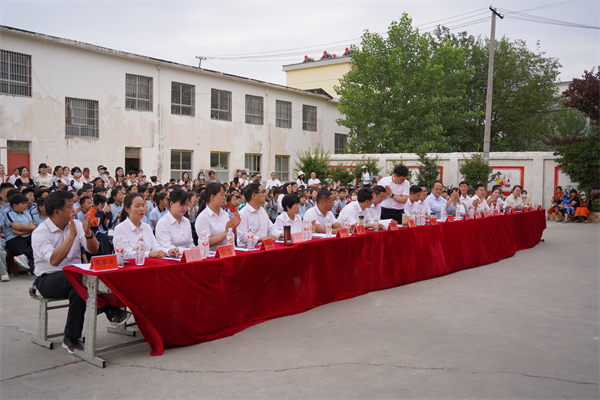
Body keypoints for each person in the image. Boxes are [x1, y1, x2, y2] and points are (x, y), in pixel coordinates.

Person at [32, 190, 130, 353]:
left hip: (76, 277)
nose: (74, 210)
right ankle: (109, 309)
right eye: (71, 207)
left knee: (78, 291)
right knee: (77, 277)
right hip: (48, 279)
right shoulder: (40, 233)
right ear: (57, 212)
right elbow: (54, 260)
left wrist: (88, 233)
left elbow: (95, 249)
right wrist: (72, 235)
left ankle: (70, 337)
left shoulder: (76, 224)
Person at [113, 193, 175, 259]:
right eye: (137, 206)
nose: (142, 209)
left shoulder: (147, 227)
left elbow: (155, 247)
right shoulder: (120, 229)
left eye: (143, 205)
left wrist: (168, 251)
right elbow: (126, 254)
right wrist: (149, 253)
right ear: (127, 209)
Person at [195, 183, 241, 251]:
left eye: (224, 195)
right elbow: (207, 241)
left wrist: (233, 227)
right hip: (212, 256)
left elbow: (232, 238)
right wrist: (226, 231)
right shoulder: (203, 217)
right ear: (212, 197)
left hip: (227, 252)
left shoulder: (224, 214)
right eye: (222, 195)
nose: (224, 198)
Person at [5, 194, 36, 272]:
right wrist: (32, 228)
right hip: (13, 237)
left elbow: (31, 226)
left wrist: (20, 233)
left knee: (38, 243)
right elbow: (17, 227)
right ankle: (33, 270)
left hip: (25, 235)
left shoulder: (26, 213)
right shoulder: (9, 214)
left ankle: (24, 256)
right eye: (23, 204)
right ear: (15, 205)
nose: (25, 206)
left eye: (25, 203)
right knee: (27, 254)